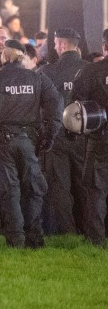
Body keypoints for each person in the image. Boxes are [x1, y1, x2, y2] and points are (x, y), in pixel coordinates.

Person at [0, 39, 63, 248]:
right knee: (33, 189)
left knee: (9, 191)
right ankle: (34, 236)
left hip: (2, 143)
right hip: (29, 142)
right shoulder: (38, 78)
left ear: (3, 57)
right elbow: (56, 105)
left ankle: (16, 239)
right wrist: (49, 135)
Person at [38, 28, 88, 235]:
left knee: (60, 187)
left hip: (57, 137)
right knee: (85, 184)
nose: (55, 47)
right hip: (84, 136)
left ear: (62, 45)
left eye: (57, 44)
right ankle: (89, 230)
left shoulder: (47, 71)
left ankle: (67, 231)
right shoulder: (89, 69)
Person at [72, 28, 108, 245]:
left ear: (104, 46)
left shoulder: (90, 71)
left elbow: (75, 106)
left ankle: (95, 239)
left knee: (95, 189)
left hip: (99, 138)